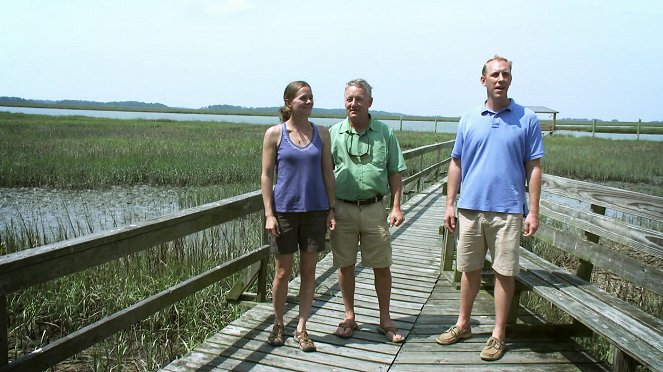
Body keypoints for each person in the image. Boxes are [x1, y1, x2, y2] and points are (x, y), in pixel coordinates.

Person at [436, 56, 544, 361]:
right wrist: (449, 204)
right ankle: (463, 324)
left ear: (511, 79)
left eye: (505, 74)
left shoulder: (527, 119)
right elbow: (456, 162)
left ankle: (498, 334)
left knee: (503, 272)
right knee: (468, 270)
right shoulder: (469, 119)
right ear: (483, 80)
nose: (500, 79)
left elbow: (534, 167)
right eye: (494, 74)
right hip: (470, 208)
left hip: (508, 210)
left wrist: (532, 211)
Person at [329, 79, 407, 343]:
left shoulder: (384, 133)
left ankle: (385, 318)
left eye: (359, 99)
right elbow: (324, 175)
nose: (354, 104)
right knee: (345, 264)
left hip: (375, 208)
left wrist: (396, 206)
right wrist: (327, 210)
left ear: (370, 102)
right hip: (342, 209)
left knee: (381, 265)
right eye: (349, 99)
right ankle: (349, 315)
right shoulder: (333, 133)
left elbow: (396, 171)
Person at [260, 81, 336, 352]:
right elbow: (267, 176)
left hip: (315, 212)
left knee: (309, 273)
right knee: (282, 271)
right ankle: (278, 323)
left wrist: (331, 208)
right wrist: (269, 214)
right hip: (284, 213)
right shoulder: (274, 134)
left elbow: (328, 173)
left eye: (311, 98)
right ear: (289, 102)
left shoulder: (322, 134)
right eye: (303, 98)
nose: (309, 102)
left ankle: (302, 328)